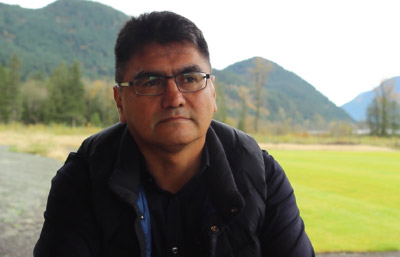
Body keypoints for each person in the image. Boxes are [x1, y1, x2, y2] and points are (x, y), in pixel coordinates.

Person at [34, 11, 315, 257]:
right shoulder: (83, 179)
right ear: (120, 101)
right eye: (151, 82)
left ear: (213, 93)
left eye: (190, 79)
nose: (174, 98)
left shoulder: (260, 175)